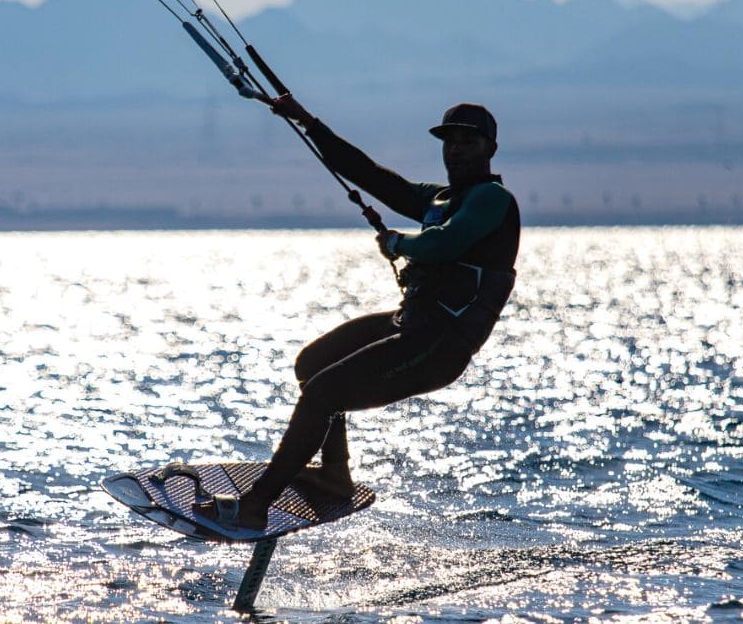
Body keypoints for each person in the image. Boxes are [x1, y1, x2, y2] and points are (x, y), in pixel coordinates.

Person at [195, 95, 521, 529]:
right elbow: (369, 174)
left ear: (490, 149)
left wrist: (398, 244)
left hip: (440, 345)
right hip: (412, 326)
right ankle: (334, 475)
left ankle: (255, 505)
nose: (456, 149)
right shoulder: (440, 199)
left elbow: (443, 242)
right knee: (312, 365)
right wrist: (308, 122)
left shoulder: (492, 200)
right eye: (449, 141)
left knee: (322, 396)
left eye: (468, 141)